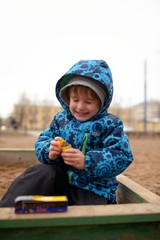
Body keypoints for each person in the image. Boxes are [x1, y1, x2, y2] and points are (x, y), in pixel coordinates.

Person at [0, 59, 133, 207]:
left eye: (88, 102)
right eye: (75, 100)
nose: (80, 107)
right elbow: (43, 140)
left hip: (92, 188)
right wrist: (49, 150)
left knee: (88, 212)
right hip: (59, 182)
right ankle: (6, 209)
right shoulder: (61, 118)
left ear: (102, 102)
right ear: (67, 97)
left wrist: (87, 161)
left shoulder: (111, 124)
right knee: (42, 173)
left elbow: (122, 155)